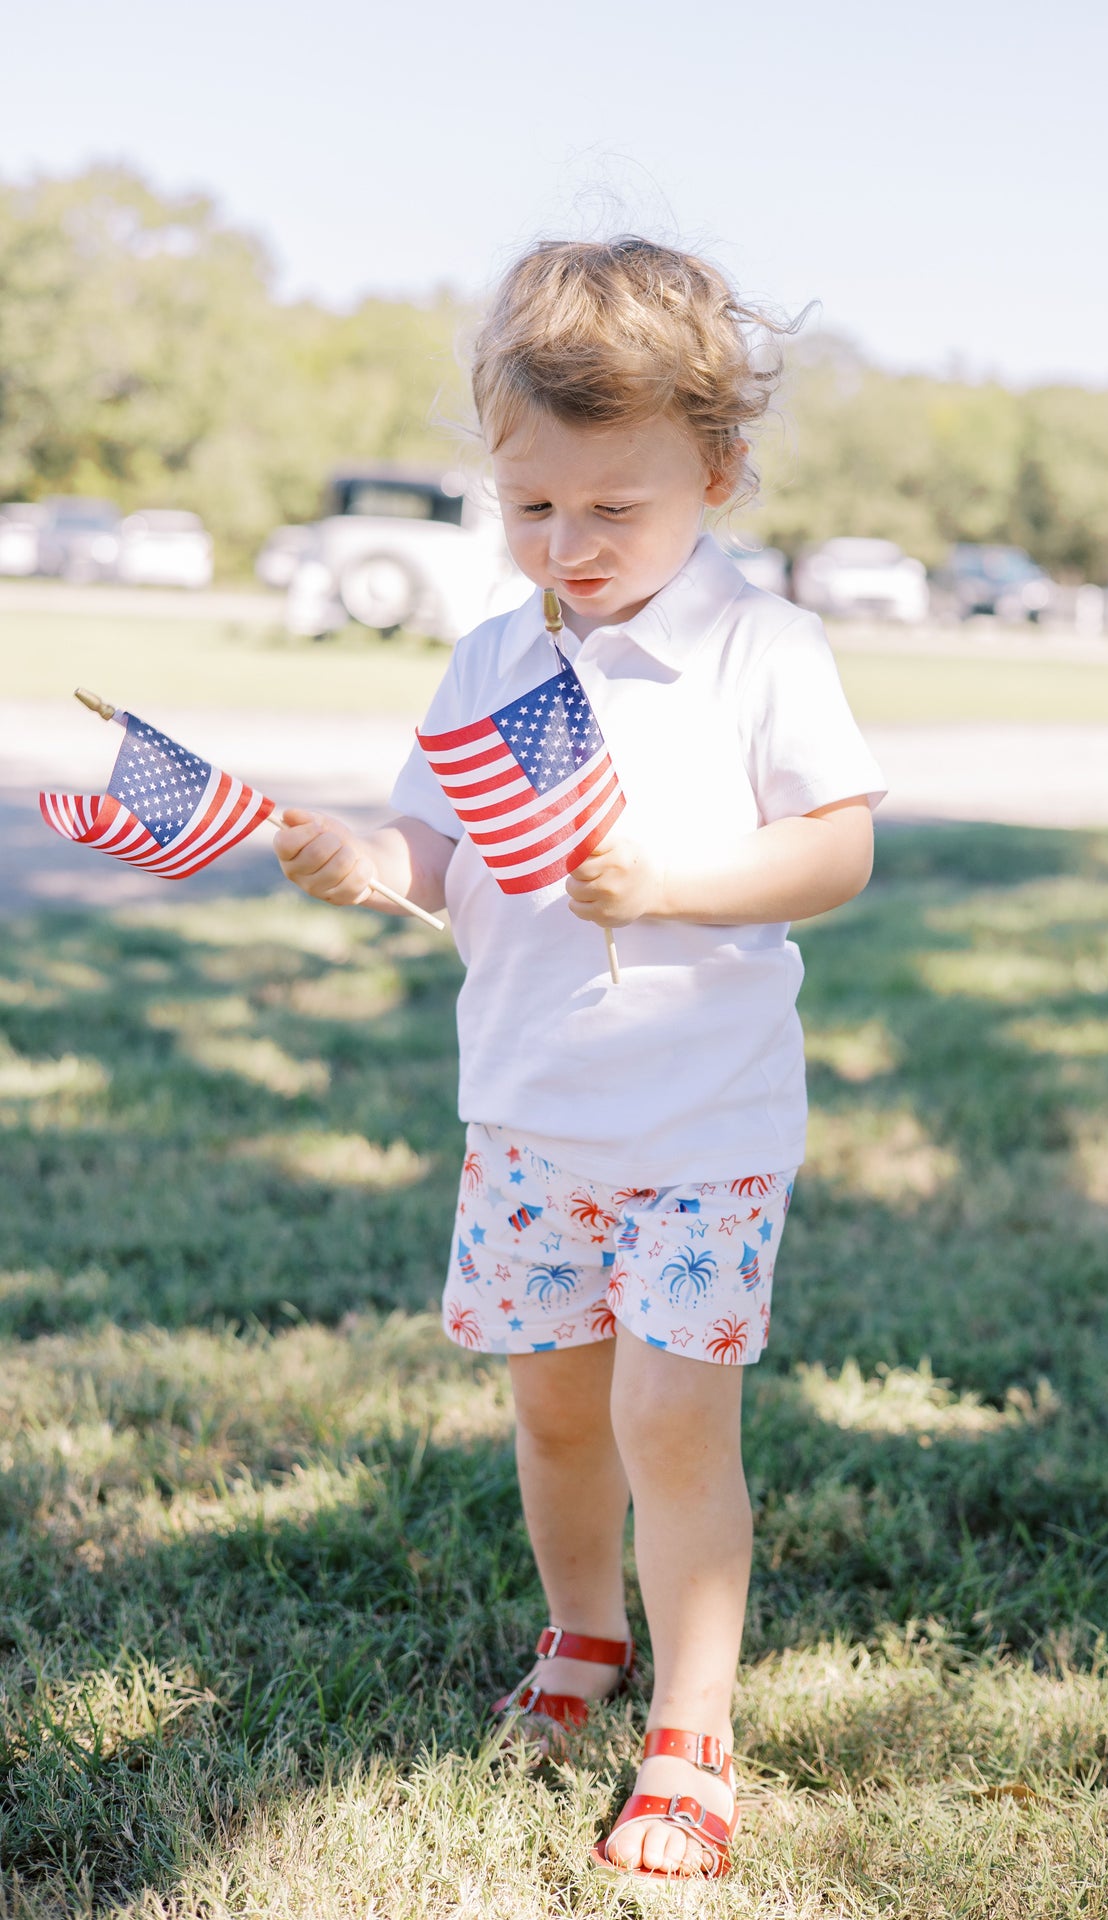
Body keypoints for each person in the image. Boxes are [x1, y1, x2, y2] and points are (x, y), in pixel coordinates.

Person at [273, 237, 886, 1881]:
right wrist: (367, 859)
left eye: (614, 509)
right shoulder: (492, 658)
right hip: (532, 1121)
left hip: (701, 1123)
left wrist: (671, 883)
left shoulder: (763, 650)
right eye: (532, 506)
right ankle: (582, 1631)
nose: (571, 544)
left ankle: (695, 1727)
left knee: (671, 1423)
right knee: (554, 1418)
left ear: (718, 471)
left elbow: (834, 855)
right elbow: (441, 847)